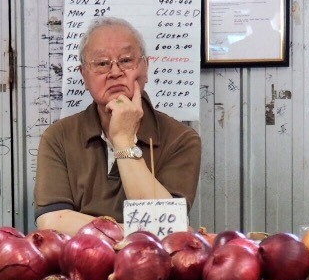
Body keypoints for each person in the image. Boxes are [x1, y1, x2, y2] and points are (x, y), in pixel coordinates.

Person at [34, 17, 202, 235]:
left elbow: (165, 226)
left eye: (126, 60)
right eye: (102, 63)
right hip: (77, 264)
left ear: (146, 67)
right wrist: (132, 233)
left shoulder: (181, 139)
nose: (115, 73)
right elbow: (52, 221)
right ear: (84, 75)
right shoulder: (59, 136)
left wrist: (123, 140)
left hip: (151, 264)